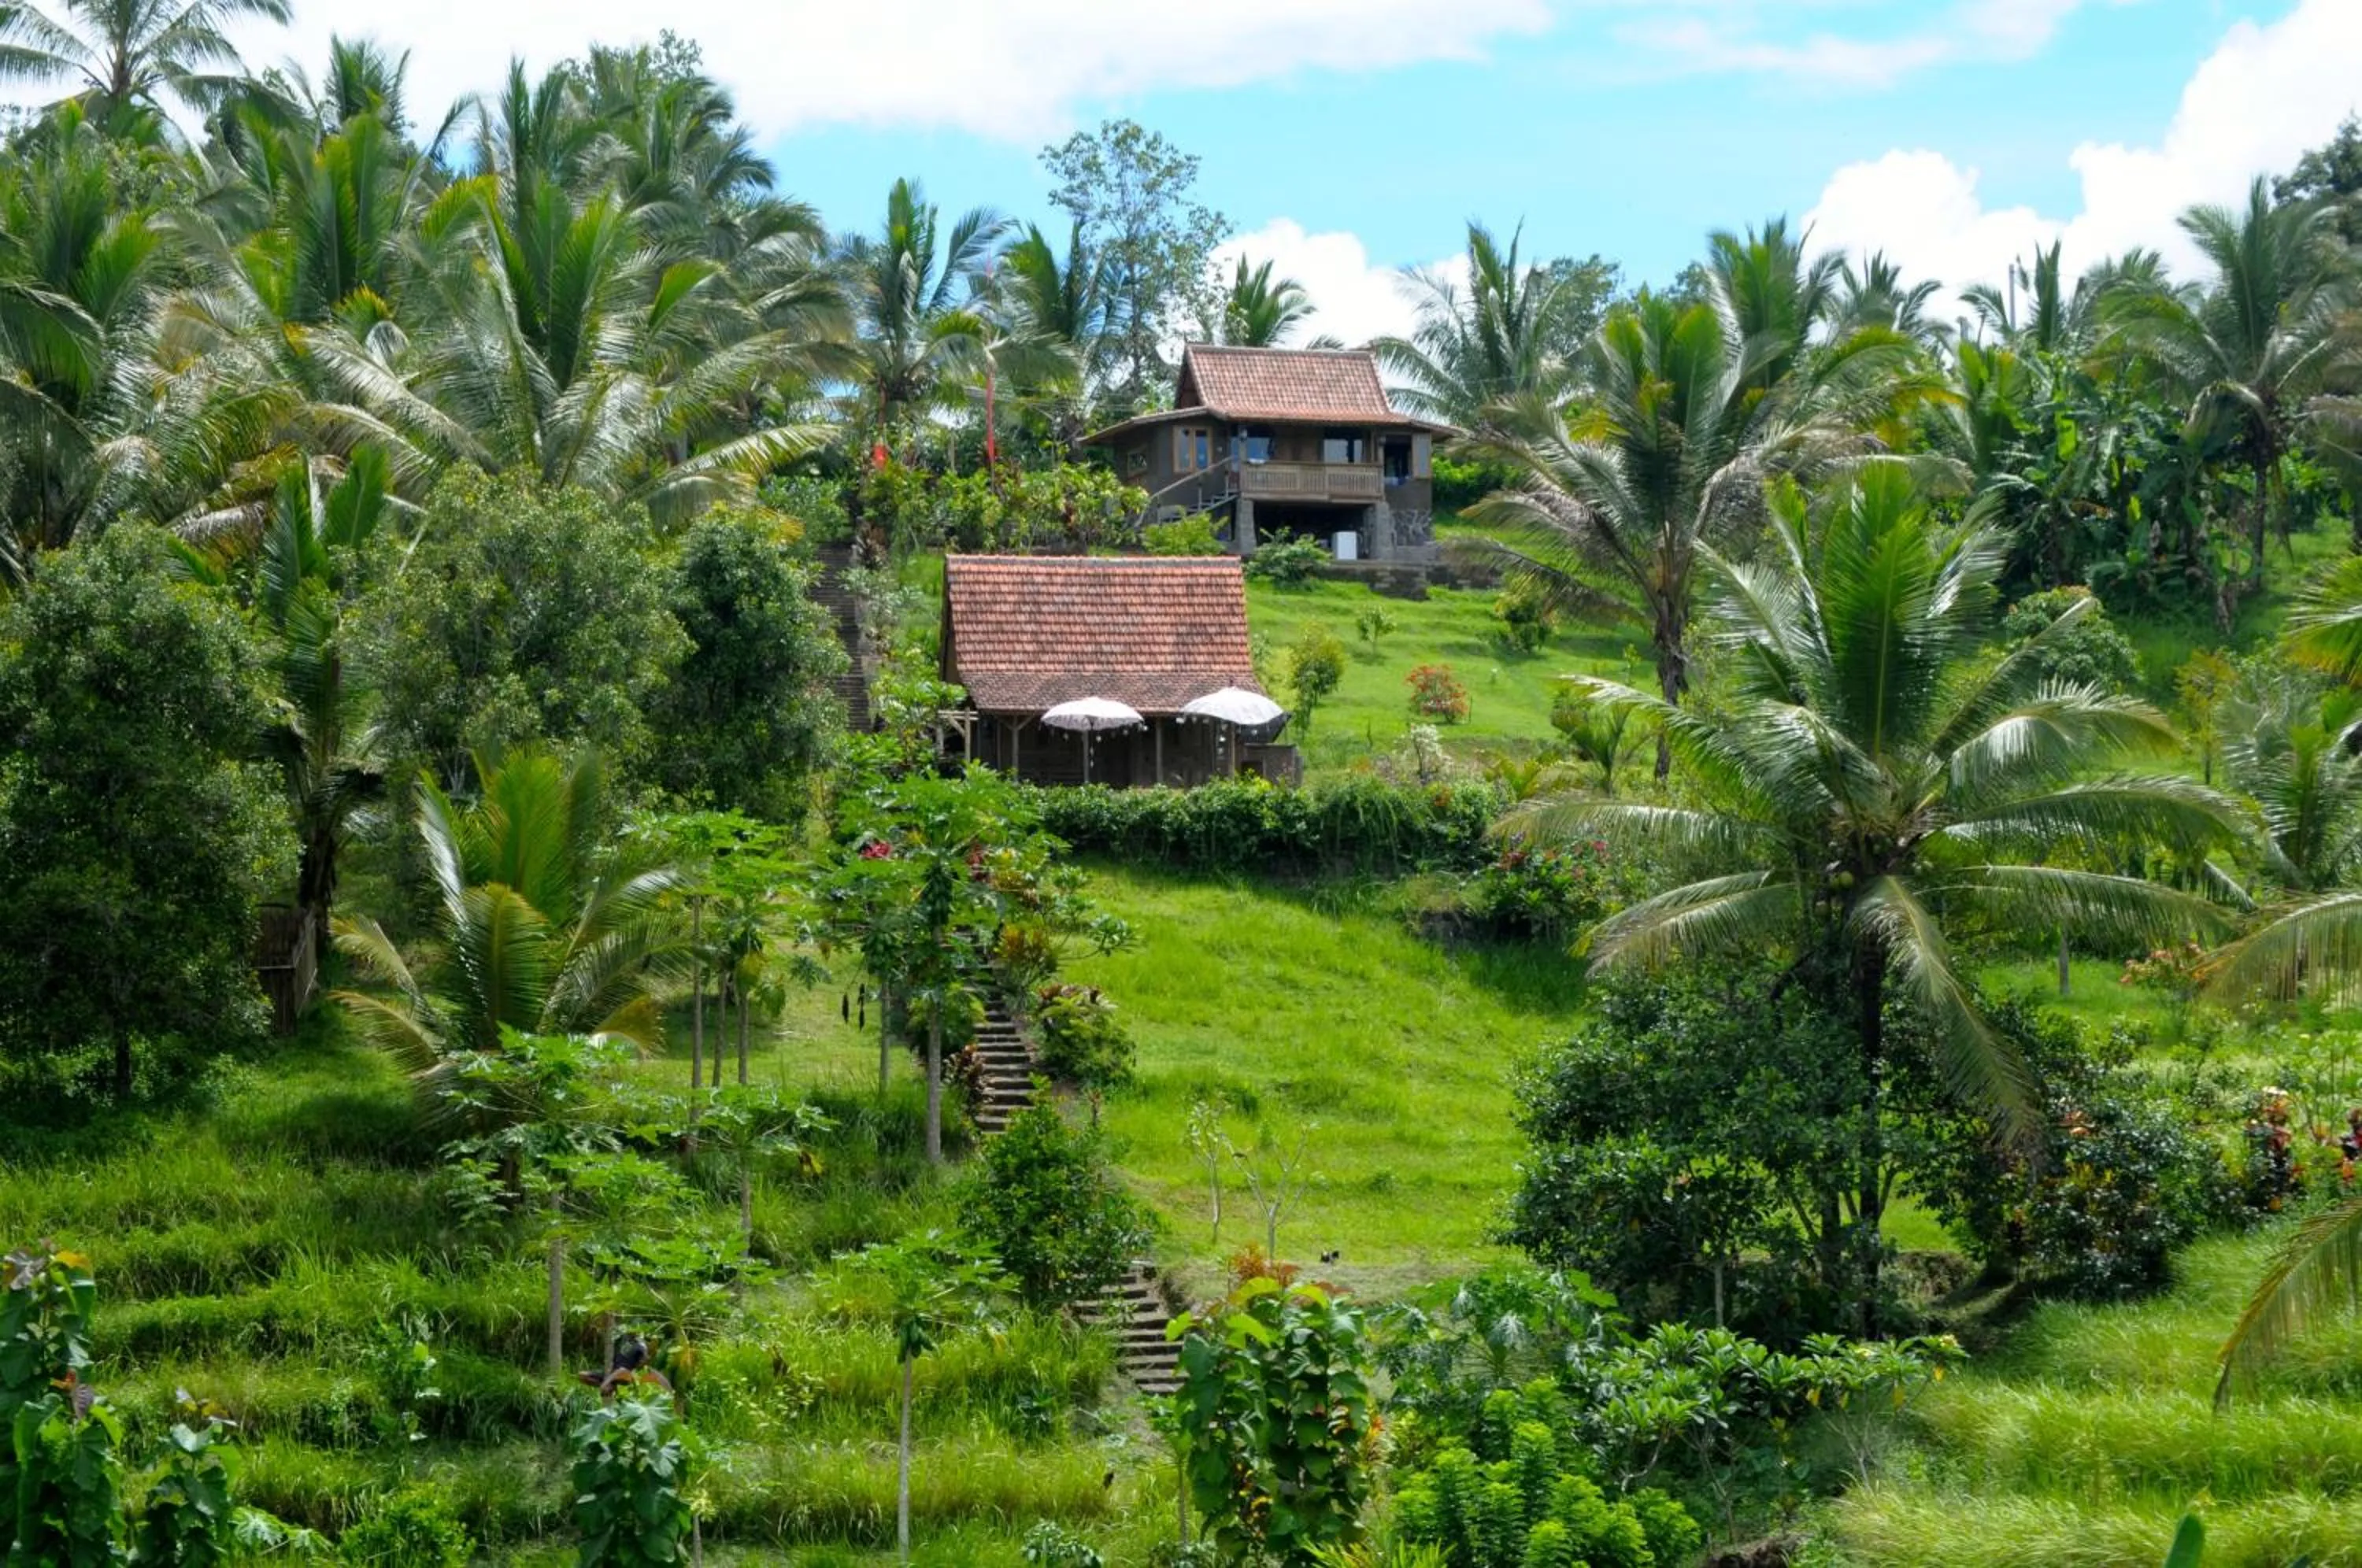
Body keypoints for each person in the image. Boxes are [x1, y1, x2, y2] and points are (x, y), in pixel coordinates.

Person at [578, 1333, 674, 1402]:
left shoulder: (641, 1346)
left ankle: (608, 1385)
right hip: (612, 1372)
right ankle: (609, 1385)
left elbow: (643, 1363)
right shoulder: (625, 1340)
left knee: (620, 1372)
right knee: (582, 1375)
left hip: (624, 1375)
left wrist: (645, 1361)